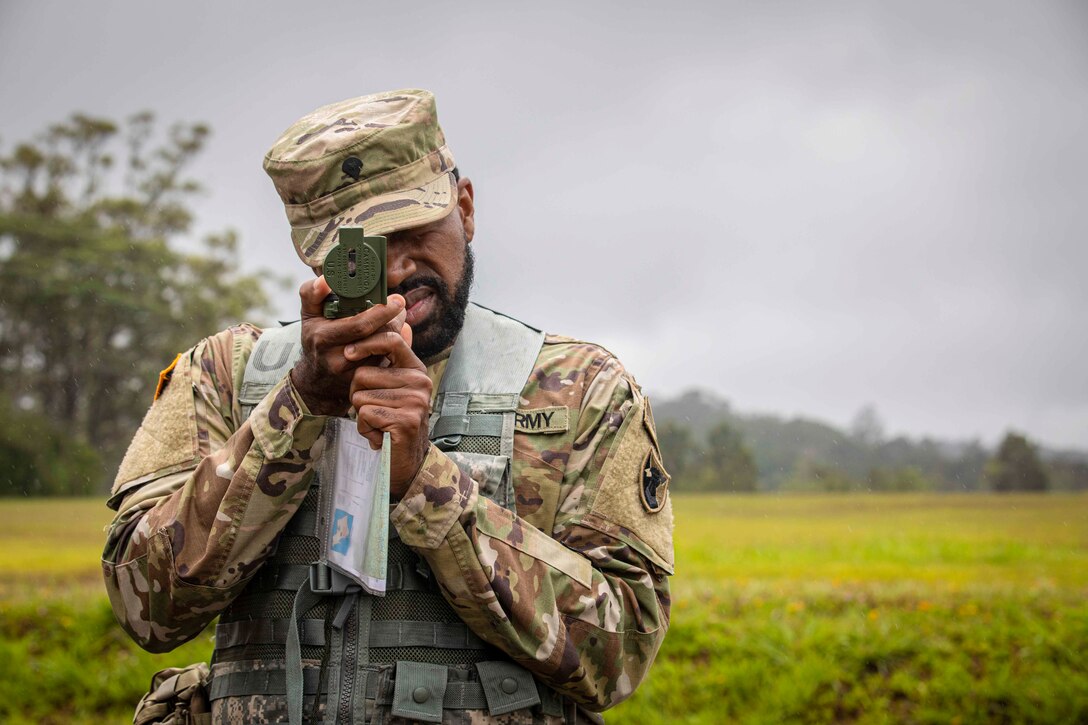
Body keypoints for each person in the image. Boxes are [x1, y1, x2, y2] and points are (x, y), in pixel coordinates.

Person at [103, 88, 674, 724]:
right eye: (362, 251)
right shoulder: (225, 376)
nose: (399, 270)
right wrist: (297, 410)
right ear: (312, 254)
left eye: (417, 229)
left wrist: (423, 483)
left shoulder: (579, 389)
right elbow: (142, 605)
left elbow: (620, 652)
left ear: (465, 208)